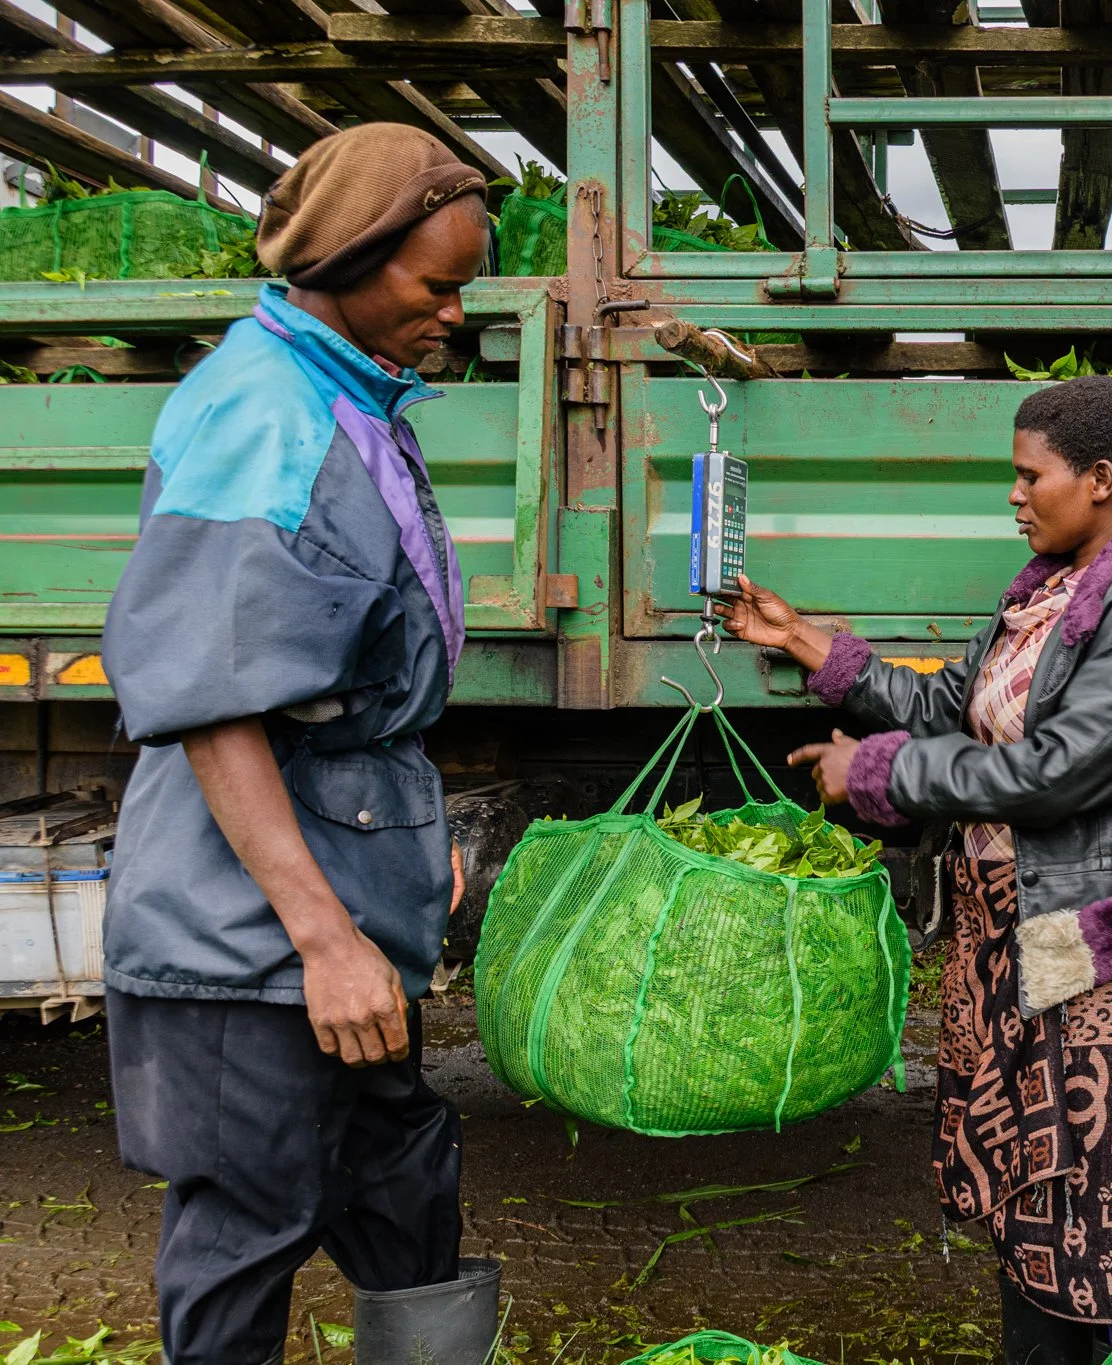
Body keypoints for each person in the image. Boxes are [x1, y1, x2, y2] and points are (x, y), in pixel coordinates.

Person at [716, 375, 1112, 1364]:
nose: (1013, 494)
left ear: (1101, 482)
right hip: (1017, 946)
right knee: (1032, 1215)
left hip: (1099, 966)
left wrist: (872, 770)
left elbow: (1054, 773)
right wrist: (807, 643)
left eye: (1028, 475)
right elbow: (947, 708)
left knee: (1099, 1231)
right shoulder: (1041, 600)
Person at [99, 123, 493, 1365]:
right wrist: (324, 941)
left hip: (341, 886)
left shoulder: (344, 387)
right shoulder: (265, 415)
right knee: (249, 1216)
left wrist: (402, 854)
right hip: (245, 934)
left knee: (402, 1183)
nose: (454, 313)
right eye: (438, 286)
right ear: (351, 258)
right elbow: (215, 702)